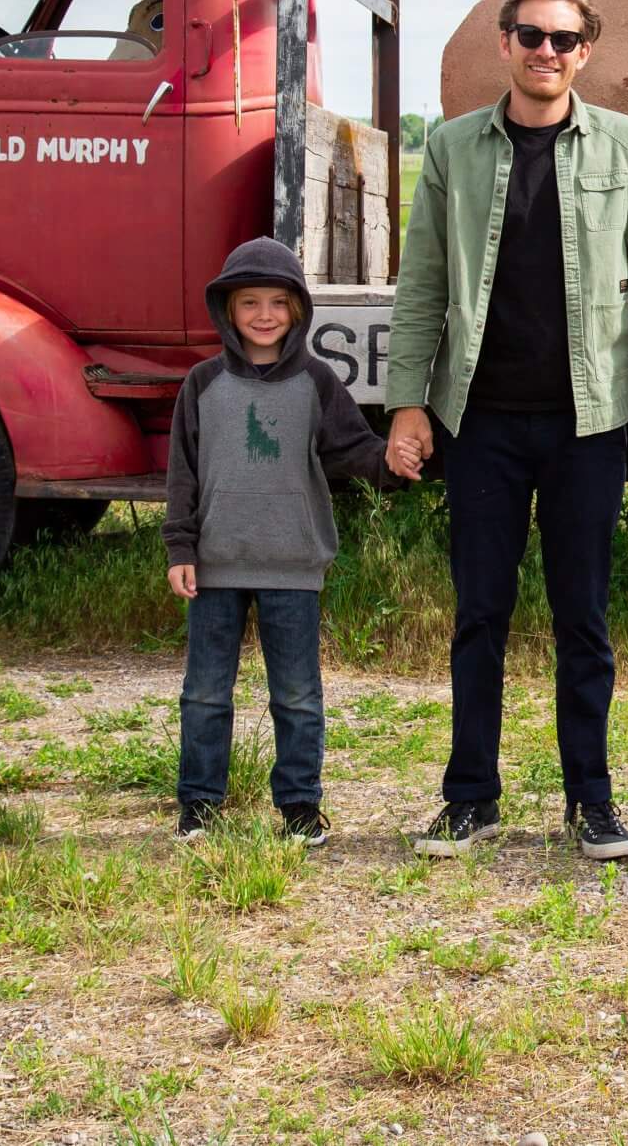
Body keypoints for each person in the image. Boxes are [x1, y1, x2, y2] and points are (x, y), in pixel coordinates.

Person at [383, 0, 628, 860]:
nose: (546, 52)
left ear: (585, 51)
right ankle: (470, 797)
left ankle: (589, 800)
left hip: (587, 422)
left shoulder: (623, 145)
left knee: (582, 616)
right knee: (481, 612)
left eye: (563, 39)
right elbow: (423, 290)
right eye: (531, 35)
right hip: (478, 420)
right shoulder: (450, 150)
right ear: (505, 42)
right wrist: (408, 405)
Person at [164, 237, 404, 846]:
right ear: (227, 309)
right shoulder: (202, 384)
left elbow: (354, 451)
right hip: (215, 565)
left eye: (277, 302)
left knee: (297, 697)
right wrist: (180, 549)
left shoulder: (316, 382)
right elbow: (183, 473)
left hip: (294, 566)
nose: (264, 315)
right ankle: (199, 804)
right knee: (204, 695)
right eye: (249, 303)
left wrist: (394, 460)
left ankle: (299, 807)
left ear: (297, 310)